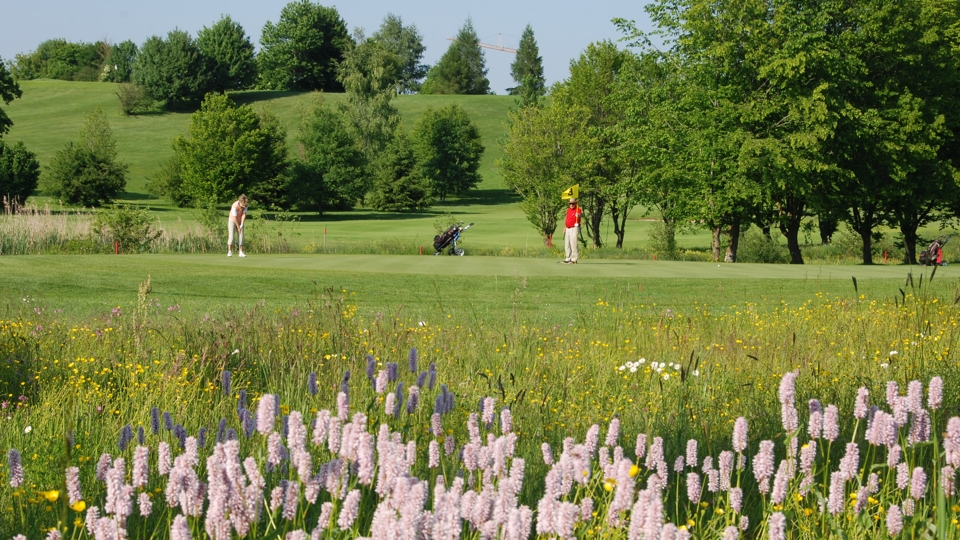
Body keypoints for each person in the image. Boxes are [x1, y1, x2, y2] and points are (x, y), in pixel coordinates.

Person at [563, 197, 583, 264]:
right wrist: (565, 227)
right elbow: (567, 218)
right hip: (568, 228)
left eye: (573, 203)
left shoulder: (578, 209)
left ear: (575, 203)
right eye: (570, 204)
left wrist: (579, 215)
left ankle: (574, 259)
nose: (571, 205)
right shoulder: (568, 210)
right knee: (567, 244)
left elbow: (581, 215)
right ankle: (568, 258)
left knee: (573, 243)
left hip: (574, 228)